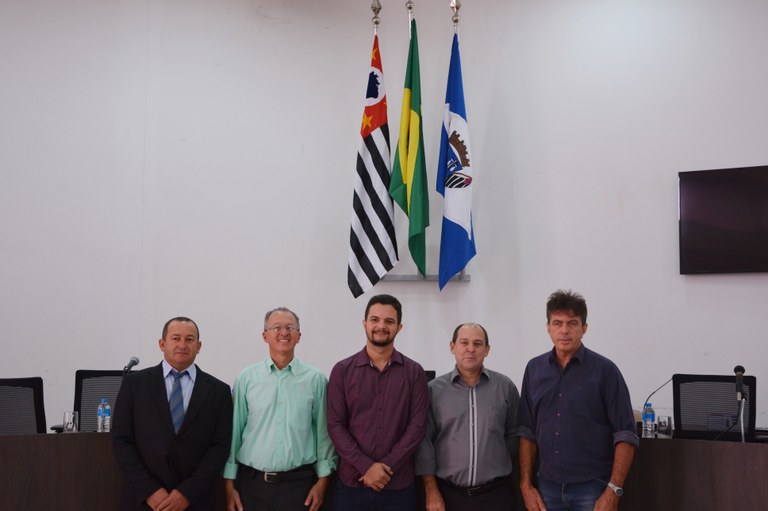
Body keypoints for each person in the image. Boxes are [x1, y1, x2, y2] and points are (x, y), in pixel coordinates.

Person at [517, 290, 639, 511]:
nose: (564, 330)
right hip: (547, 488)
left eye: (572, 323)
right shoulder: (534, 369)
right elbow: (527, 432)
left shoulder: (605, 371)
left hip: (593, 487)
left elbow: (626, 434)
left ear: (584, 328)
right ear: (548, 327)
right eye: (557, 323)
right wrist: (525, 485)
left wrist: (613, 490)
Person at [112, 317, 233, 511]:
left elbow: (220, 447)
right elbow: (121, 441)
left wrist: (187, 493)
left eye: (189, 339)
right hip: (144, 500)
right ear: (162, 344)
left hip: (196, 501)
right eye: (176, 338)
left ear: (199, 346)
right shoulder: (134, 384)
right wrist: (150, 491)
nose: (182, 345)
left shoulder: (219, 391)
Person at [223, 307, 337, 511]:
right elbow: (234, 433)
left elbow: (323, 435)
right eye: (276, 327)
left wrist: (323, 483)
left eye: (290, 328)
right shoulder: (246, 379)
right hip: (252, 486)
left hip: (300, 487)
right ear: (264, 335)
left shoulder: (316, 380)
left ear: (299, 336)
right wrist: (229, 485)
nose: (283, 332)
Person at [326, 294, 429, 511]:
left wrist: (385, 468)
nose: (381, 326)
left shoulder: (414, 373)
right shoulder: (342, 371)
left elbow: (417, 427)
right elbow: (335, 425)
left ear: (399, 327)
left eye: (389, 321)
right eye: (375, 319)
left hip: (398, 487)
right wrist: (366, 467)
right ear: (364, 323)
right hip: (352, 485)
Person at [416, 322, 520, 511]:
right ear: (452, 347)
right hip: (448, 496)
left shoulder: (506, 388)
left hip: (495, 496)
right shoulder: (433, 391)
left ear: (487, 350)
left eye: (477, 344)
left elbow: (513, 436)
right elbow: (425, 442)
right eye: (464, 342)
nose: (470, 349)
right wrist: (431, 489)